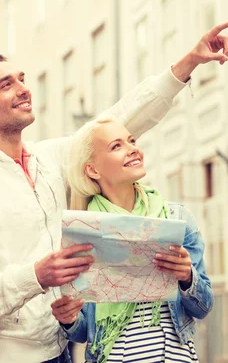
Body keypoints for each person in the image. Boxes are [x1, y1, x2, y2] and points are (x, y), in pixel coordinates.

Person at [0, 21, 228, 363]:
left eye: (22, 79)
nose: (23, 89)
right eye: (7, 85)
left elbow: (119, 121)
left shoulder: (48, 158)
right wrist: (36, 275)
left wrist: (189, 63)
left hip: (63, 351)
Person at [50, 117, 213, 363]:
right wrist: (69, 318)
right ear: (93, 169)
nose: (132, 148)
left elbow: (203, 307)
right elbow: (85, 332)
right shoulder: (81, 233)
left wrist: (188, 278)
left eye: (132, 141)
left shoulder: (177, 218)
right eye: (116, 146)